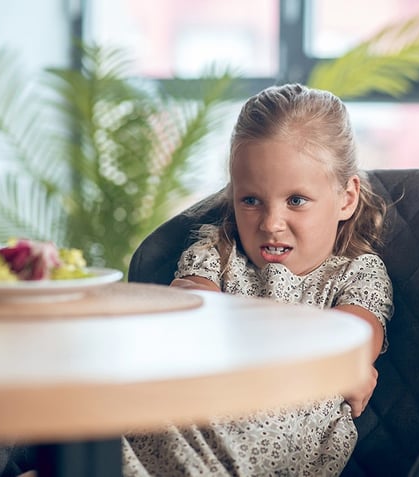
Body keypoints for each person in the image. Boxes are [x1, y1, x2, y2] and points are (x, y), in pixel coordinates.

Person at [121, 83, 393, 476]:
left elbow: (349, 345)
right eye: (251, 200)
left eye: (296, 200)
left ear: (346, 198)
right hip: (182, 418)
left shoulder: (357, 274)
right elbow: (186, 315)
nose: (270, 223)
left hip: (261, 456)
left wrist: (340, 362)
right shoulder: (217, 252)